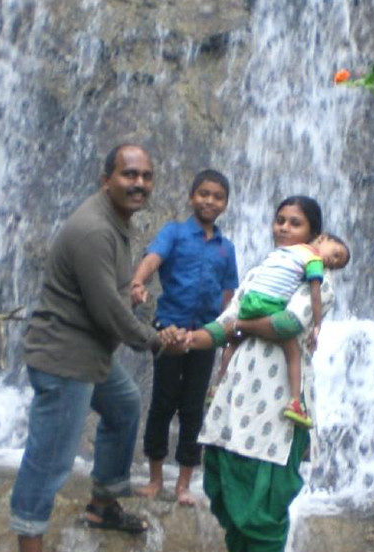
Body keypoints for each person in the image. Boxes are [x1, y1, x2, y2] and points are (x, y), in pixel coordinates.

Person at [8, 143, 182, 551]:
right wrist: (154, 341)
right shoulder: (95, 229)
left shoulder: (116, 220)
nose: (139, 184)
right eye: (129, 175)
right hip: (65, 358)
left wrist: (129, 293)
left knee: (123, 405)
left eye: (146, 176)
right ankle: (29, 540)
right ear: (106, 181)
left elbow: (105, 293)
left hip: (89, 353)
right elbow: (106, 311)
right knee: (50, 459)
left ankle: (102, 505)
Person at [175, 195, 338, 552]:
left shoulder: (316, 278)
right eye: (280, 219)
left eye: (295, 222)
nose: (284, 227)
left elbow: (289, 322)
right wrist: (187, 340)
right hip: (236, 402)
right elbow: (222, 326)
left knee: (263, 511)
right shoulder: (260, 273)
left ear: (314, 234)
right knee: (227, 496)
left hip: (277, 409)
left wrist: (242, 324)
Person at [130, 169, 239, 506]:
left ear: (225, 204)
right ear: (192, 197)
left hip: (204, 335)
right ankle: (156, 479)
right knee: (163, 402)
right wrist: (138, 282)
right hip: (170, 330)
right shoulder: (174, 233)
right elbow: (153, 258)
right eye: (203, 193)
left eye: (217, 196)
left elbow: (229, 292)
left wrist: (228, 331)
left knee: (193, 408)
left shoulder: (226, 248)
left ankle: (184, 485)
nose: (209, 200)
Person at [215, 230, 349, 428]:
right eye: (336, 254)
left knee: (233, 341)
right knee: (292, 350)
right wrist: (318, 324)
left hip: (252, 302)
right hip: (270, 307)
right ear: (321, 238)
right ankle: (295, 401)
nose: (333, 261)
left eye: (337, 264)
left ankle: (217, 385)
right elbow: (313, 297)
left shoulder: (283, 254)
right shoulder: (312, 261)